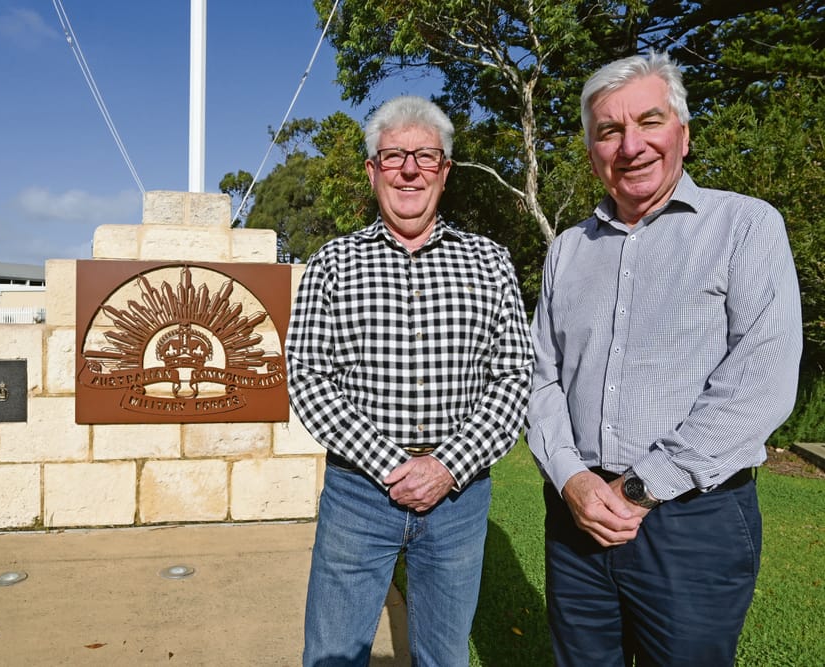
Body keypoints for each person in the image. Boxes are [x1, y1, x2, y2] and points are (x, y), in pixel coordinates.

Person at [526, 51, 803, 666]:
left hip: (690, 518)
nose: (630, 145)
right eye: (609, 130)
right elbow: (539, 375)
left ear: (683, 132)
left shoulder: (746, 226)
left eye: (648, 122)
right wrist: (570, 476)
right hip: (576, 515)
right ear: (592, 148)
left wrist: (644, 487)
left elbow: (762, 380)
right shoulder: (568, 249)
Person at [286, 95, 533, 666]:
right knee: (332, 653)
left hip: (460, 498)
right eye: (393, 155)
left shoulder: (490, 262)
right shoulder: (332, 264)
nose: (409, 168)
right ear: (372, 170)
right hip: (358, 496)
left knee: (443, 657)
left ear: (445, 171)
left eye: (425, 155)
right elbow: (308, 377)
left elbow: (514, 376)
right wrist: (392, 466)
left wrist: (446, 466)